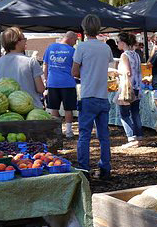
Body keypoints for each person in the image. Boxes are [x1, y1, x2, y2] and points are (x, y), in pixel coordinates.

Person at [72, 14, 114, 179]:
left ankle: (84, 169)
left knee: (84, 135)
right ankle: (105, 168)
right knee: (104, 136)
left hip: (88, 95)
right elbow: (108, 67)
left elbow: (74, 72)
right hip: (102, 96)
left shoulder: (81, 48)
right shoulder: (106, 47)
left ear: (84, 29)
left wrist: (86, 75)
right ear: (99, 28)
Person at [0, 27, 44, 109]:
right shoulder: (31, 61)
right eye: (24, 38)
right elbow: (40, 89)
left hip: (8, 110)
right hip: (32, 109)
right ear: (17, 41)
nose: (26, 41)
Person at [43, 31, 78, 138]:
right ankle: (68, 131)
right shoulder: (72, 51)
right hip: (68, 83)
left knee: (54, 108)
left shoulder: (51, 47)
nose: (75, 42)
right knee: (68, 108)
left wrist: (46, 79)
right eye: (75, 40)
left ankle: (56, 131)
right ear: (70, 38)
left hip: (53, 83)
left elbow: (45, 64)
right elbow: (75, 68)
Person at [114, 32, 144, 148]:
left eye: (118, 42)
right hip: (137, 87)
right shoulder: (135, 54)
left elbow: (127, 72)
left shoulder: (124, 55)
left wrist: (116, 71)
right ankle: (139, 136)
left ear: (123, 42)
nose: (117, 44)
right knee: (135, 113)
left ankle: (131, 138)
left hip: (127, 88)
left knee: (124, 114)